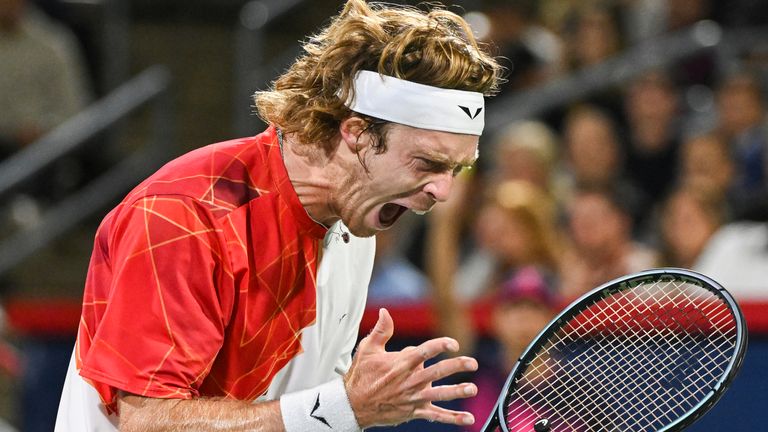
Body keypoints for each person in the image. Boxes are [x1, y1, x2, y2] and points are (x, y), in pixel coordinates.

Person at [54, 1, 502, 431]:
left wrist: (344, 410)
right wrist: (342, 408)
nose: (444, 191)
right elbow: (148, 421)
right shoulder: (185, 216)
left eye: (457, 169)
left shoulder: (355, 226)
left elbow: (313, 413)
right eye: (427, 163)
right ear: (358, 134)